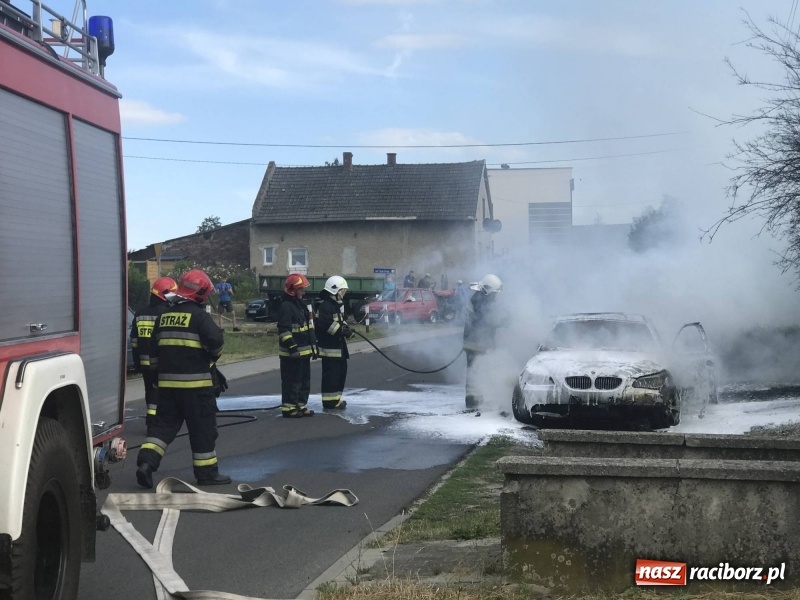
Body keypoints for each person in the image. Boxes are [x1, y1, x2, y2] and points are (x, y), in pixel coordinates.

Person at [136, 269, 229, 488]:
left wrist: (160, 380)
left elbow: (154, 352)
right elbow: (216, 343)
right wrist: (210, 361)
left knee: (161, 429)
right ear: (200, 294)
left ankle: (145, 465)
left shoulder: (164, 317)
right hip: (197, 389)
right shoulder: (199, 317)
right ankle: (207, 474)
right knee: (203, 431)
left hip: (167, 389)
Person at [130, 276, 177, 427]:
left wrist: (137, 362)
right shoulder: (168, 314)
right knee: (166, 393)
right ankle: (163, 422)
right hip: (164, 363)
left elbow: (134, 341)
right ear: (166, 295)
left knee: (150, 391)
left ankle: (151, 420)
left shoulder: (140, 313)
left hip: (145, 363)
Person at [277, 273, 317, 418]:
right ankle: (289, 408)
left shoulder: (300, 306)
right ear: (293, 290)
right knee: (292, 381)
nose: (303, 292)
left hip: (303, 352)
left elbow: (308, 328)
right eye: (301, 289)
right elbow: (283, 330)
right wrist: (292, 347)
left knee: (304, 380)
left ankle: (301, 404)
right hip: (291, 354)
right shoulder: (286, 307)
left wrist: (314, 347)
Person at [462, 274, 503, 411]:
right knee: (475, 372)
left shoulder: (479, 298)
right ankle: (472, 402)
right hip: (476, 344)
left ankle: (476, 399)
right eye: (494, 294)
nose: (495, 297)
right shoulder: (480, 301)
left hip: (474, 342)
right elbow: (485, 321)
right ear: (488, 290)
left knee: (476, 372)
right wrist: (502, 322)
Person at [315, 276, 355, 409]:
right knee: (331, 376)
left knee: (340, 374)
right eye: (342, 290)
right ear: (335, 291)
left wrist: (347, 330)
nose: (344, 293)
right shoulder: (325, 306)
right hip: (330, 349)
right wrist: (342, 331)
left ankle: (336, 399)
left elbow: (339, 322)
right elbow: (326, 324)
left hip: (339, 348)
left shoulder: (335, 306)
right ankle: (329, 402)